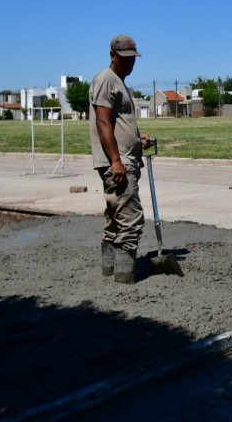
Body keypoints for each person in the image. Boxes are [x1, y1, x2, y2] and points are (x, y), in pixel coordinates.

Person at [89, 35, 151, 284]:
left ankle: (109, 272)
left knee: (115, 220)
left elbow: (117, 122)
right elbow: (103, 121)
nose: (129, 63)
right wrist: (116, 160)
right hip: (118, 163)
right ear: (112, 56)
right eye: (124, 58)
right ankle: (124, 279)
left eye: (132, 58)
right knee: (131, 220)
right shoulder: (106, 79)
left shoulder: (119, 82)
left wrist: (137, 138)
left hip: (123, 159)